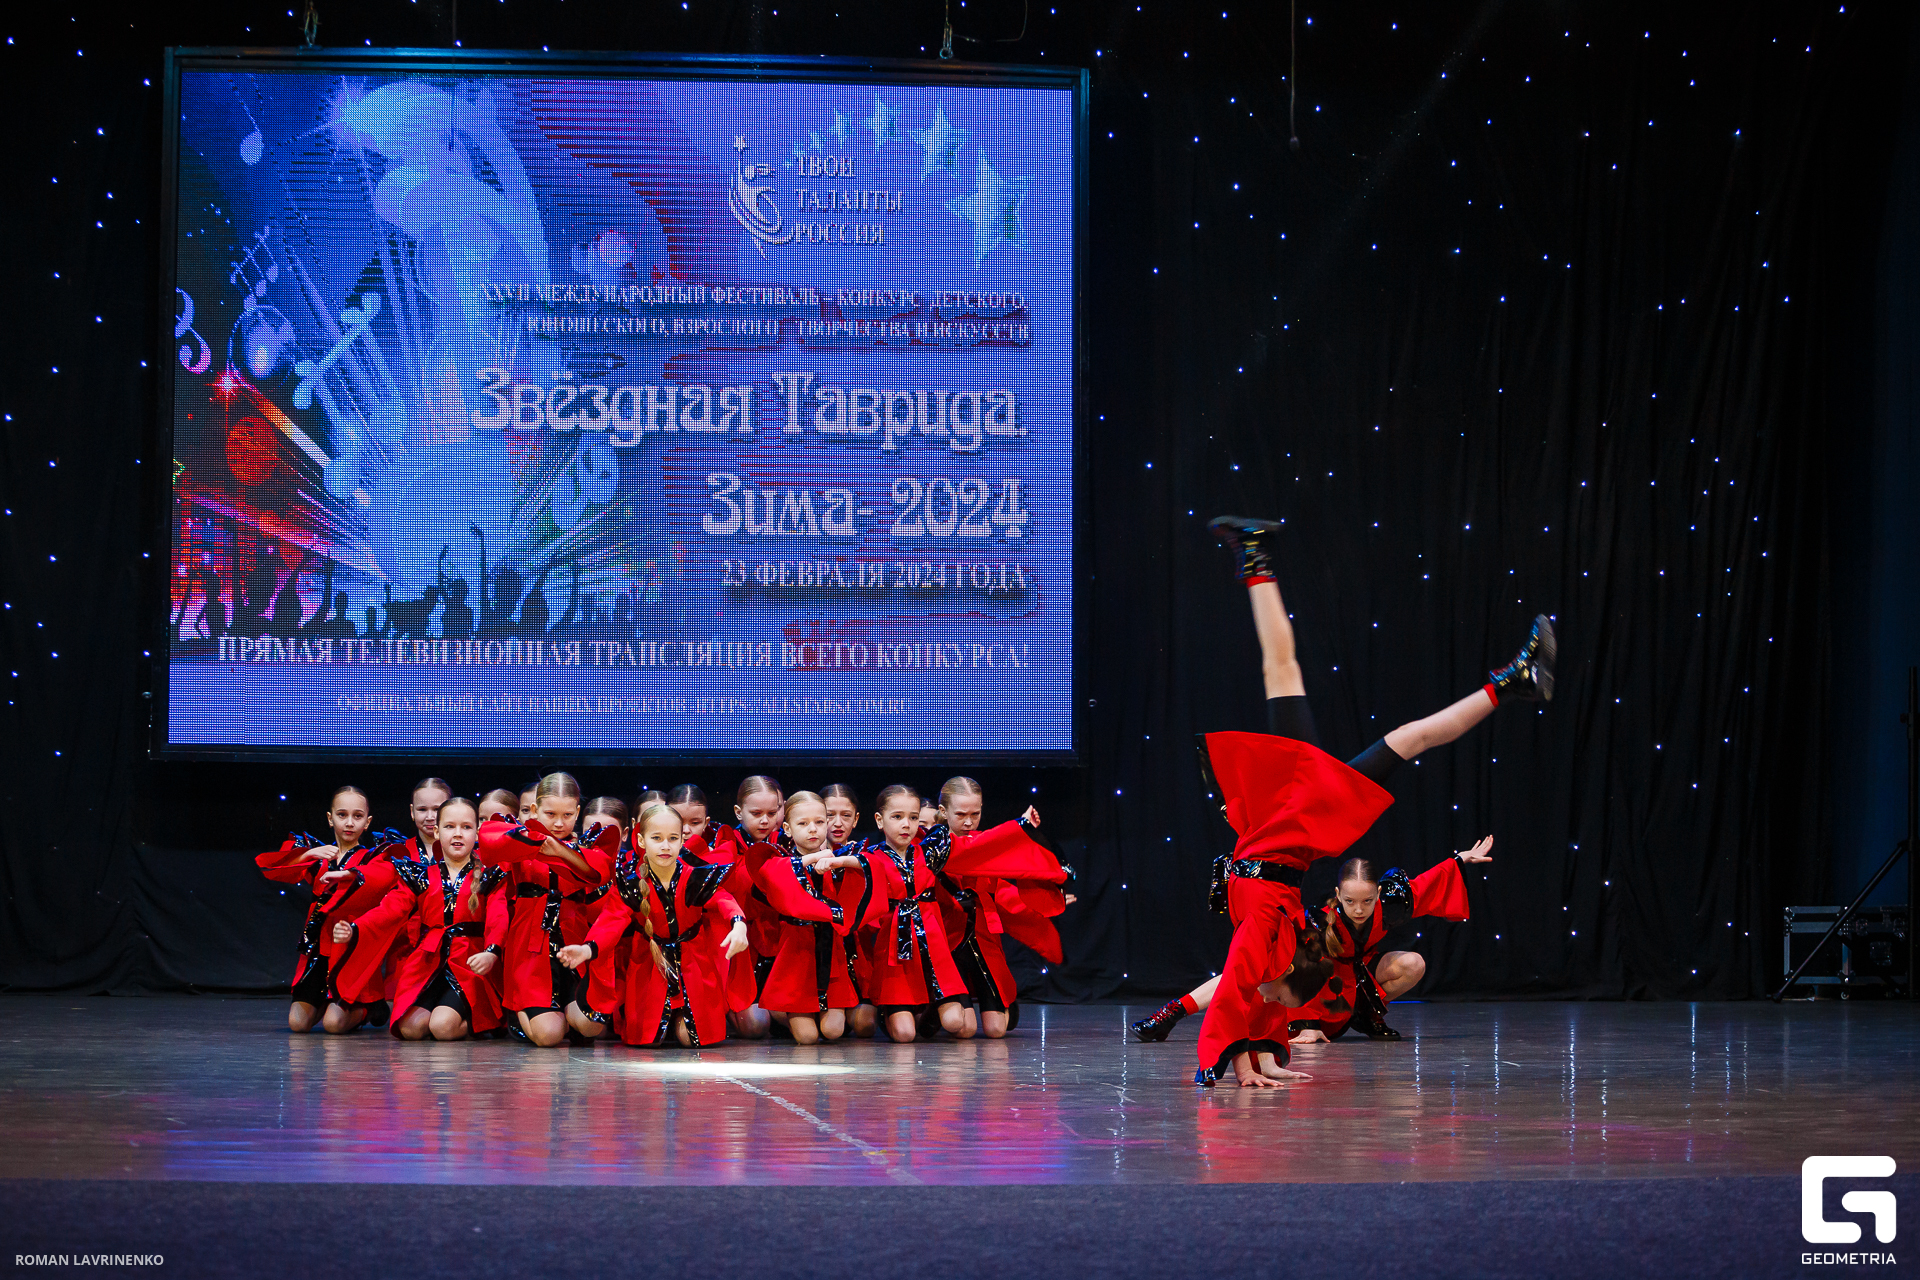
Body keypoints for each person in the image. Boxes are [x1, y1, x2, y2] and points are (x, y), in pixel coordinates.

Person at [1185, 515, 1553, 1087]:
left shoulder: (1265, 926)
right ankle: (1255, 558)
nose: (1276, 1004)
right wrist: (1256, 1061)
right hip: (1285, 817)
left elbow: (1241, 986)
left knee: (1379, 723)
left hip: (1292, 815)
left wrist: (1231, 1063)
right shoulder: (1276, 929)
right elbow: (1255, 992)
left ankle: (1512, 682)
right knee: (1295, 678)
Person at [560, 802, 749, 1047]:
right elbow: (611, 921)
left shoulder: (695, 876)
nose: (665, 845)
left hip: (693, 964)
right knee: (648, 1041)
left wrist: (738, 924)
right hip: (649, 963)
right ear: (641, 841)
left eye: (673, 838)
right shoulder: (631, 883)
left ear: (681, 841)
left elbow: (723, 900)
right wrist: (587, 949)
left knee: (692, 1039)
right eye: (657, 838)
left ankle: (679, 1020)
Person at [337, 796, 508, 1041]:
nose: (457, 834)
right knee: (410, 1029)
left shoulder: (489, 876)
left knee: (442, 1027)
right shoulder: (421, 876)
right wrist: (356, 928)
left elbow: (498, 917)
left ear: (477, 833)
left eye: (466, 827)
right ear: (437, 832)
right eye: (449, 826)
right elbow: (390, 909)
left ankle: (482, 1021)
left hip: (468, 964)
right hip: (429, 961)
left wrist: (491, 951)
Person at [1282, 842, 1487, 1042]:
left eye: (1367, 901)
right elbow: (1300, 972)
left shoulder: (1388, 906)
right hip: (1329, 986)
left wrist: (1460, 859)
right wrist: (1309, 1025)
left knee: (1414, 964)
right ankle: (1328, 1020)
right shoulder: (1321, 924)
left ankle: (1368, 1014)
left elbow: (1425, 886)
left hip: (1363, 970)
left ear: (1378, 893)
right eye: (1350, 901)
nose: (1359, 910)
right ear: (1338, 895)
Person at [473, 772, 616, 1047]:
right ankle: (519, 1012)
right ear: (535, 809)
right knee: (549, 1035)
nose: (559, 823)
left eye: (567, 815)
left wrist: (560, 851)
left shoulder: (586, 847)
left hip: (572, 943)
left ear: (578, 812)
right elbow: (490, 842)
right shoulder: (520, 839)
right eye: (550, 814)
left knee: (591, 1026)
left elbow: (597, 872)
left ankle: (562, 1015)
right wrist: (537, 839)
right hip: (530, 947)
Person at [928, 777, 1073, 1039]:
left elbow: (1005, 890)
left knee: (996, 1031)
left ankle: (1004, 1004)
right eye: (960, 814)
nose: (969, 822)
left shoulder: (984, 843)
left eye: (975, 814)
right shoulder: (936, 843)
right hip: (947, 940)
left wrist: (1043, 900)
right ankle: (935, 1007)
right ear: (943, 811)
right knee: (964, 1030)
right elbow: (967, 851)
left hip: (982, 938)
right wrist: (1018, 826)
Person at [254, 785, 402, 1034]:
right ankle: (324, 1003)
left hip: (349, 946)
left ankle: (368, 1009)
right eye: (342, 815)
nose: (349, 822)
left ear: (367, 822)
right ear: (330, 818)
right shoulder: (319, 854)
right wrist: (307, 855)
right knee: (298, 1024)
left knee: (334, 1025)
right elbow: (273, 869)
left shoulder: (373, 857)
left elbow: (383, 876)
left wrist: (349, 874)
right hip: (318, 946)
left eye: (357, 816)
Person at [757, 792, 896, 1044]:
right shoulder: (780, 860)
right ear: (787, 828)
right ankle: (784, 1013)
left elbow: (875, 865)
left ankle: (803, 1013)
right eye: (803, 823)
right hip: (797, 950)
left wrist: (839, 861)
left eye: (819, 822)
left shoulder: (837, 859)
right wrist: (812, 858)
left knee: (833, 1031)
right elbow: (774, 875)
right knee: (808, 1038)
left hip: (832, 951)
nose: (813, 829)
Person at [866, 785, 973, 1042]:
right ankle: (890, 1012)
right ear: (879, 820)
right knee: (904, 1035)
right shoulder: (872, 856)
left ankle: (928, 1008)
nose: (906, 824)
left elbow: (980, 844)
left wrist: (1021, 825)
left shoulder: (928, 853)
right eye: (897, 817)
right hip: (897, 948)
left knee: (957, 1023)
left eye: (913, 817)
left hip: (932, 945)